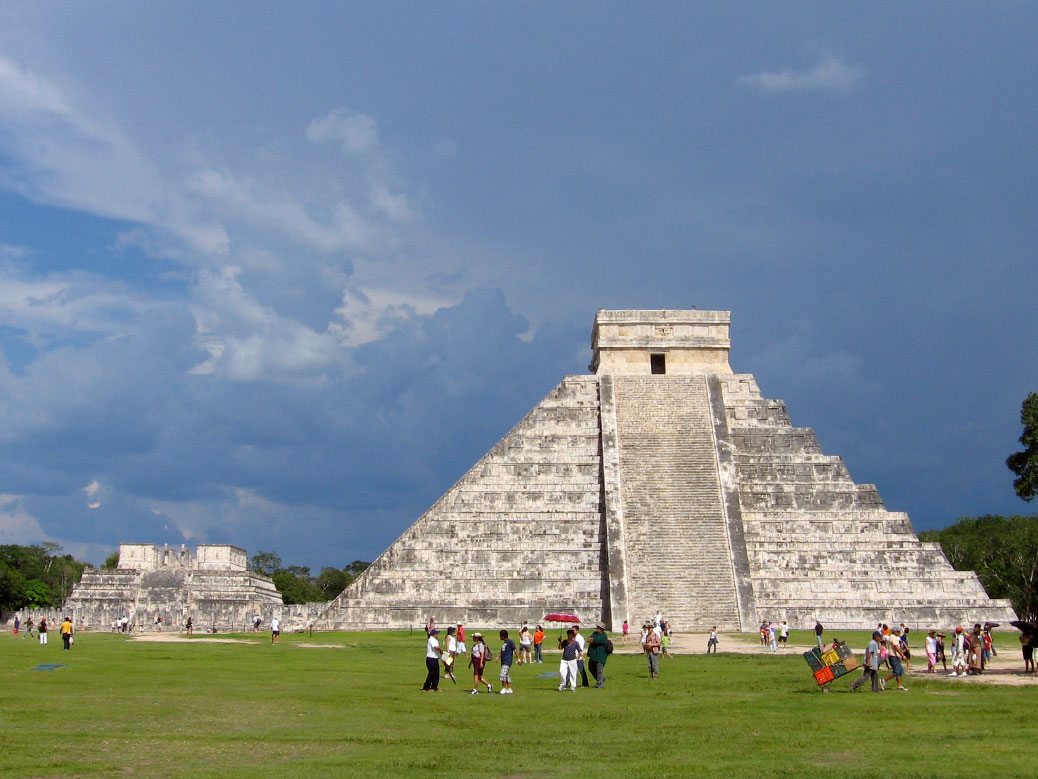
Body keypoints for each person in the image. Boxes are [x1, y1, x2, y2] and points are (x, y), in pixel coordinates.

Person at [498, 630, 517, 694]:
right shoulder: (504, 643)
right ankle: (509, 688)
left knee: (502, 674)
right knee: (507, 675)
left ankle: (504, 688)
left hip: (507, 661)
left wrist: (519, 658)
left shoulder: (510, 642)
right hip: (503, 661)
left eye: (500, 636)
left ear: (503, 636)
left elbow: (515, 650)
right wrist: (498, 657)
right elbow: (502, 652)